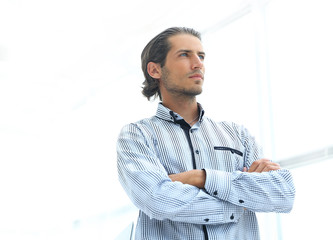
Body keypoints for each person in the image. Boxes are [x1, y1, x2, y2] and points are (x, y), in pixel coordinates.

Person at [117, 27, 295, 239]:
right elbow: (158, 199)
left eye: (201, 56)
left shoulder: (238, 134)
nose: (198, 63)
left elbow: (283, 194)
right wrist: (241, 203)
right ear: (155, 70)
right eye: (184, 55)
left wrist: (201, 177)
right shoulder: (136, 136)